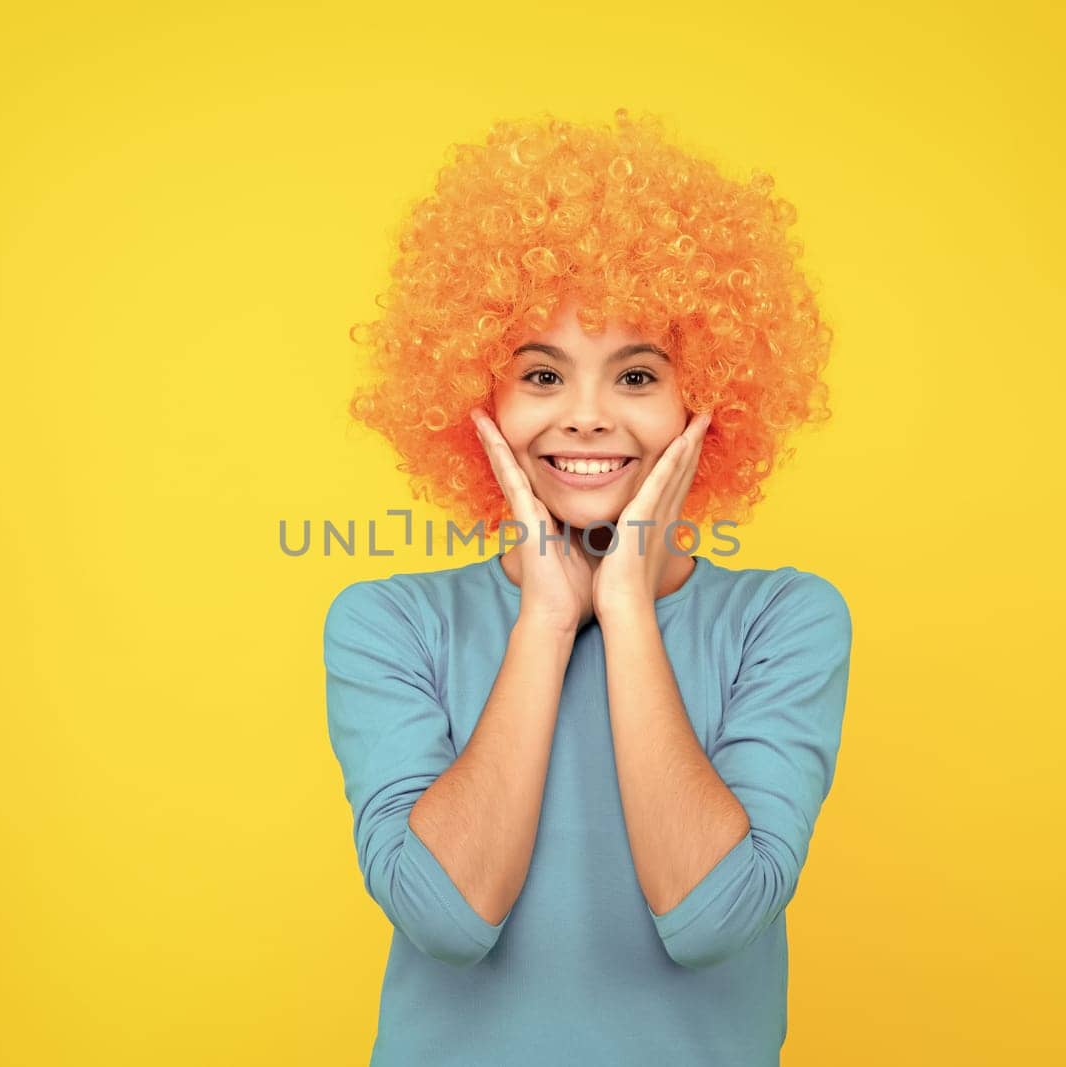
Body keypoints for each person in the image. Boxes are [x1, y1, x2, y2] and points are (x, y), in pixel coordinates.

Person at [323, 109, 852, 1066]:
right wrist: (546, 615)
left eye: (638, 374)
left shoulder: (787, 619)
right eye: (541, 373)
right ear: (477, 401)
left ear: (708, 405)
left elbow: (713, 916)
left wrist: (624, 607)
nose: (587, 418)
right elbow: (447, 915)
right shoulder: (388, 622)